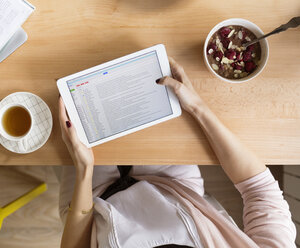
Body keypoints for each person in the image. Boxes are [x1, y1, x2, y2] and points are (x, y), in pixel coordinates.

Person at [58, 57, 296, 248]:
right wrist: (196, 106)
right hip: (172, 185)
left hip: (91, 204)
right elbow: (260, 190)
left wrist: (84, 170)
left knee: (64, 91)